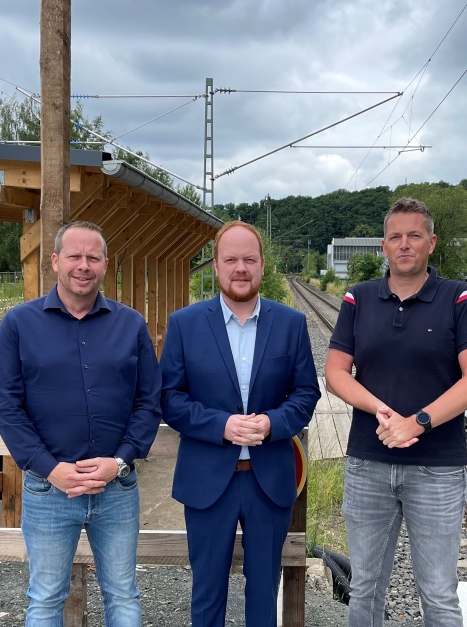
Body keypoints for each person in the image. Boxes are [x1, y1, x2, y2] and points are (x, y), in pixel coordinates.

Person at [325, 198, 467, 627]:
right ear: (383, 246)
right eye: (395, 237)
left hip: (436, 468)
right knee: (365, 587)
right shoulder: (357, 298)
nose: (404, 244)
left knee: (437, 592)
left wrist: (416, 422)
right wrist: (382, 410)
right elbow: (336, 374)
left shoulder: (460, 297)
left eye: (414, 235)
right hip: (368, 463)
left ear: (431, 243)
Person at [0, 221, 160, 627]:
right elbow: (5, 406)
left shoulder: (131, 324)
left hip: (116, 487)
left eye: (92, 257)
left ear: (105, 265)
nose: (83, 266)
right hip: (49, 489)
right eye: (74, 256)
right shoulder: (18, 324)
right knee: (46, 597)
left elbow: (149, 402)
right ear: (55, 262)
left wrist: (119, 461)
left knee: (122, 594)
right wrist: (51, 469)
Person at [160, 221, 321, 627]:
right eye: (230, 259)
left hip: (268, 482)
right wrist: (221, 425)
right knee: (207, 593)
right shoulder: (185, 324)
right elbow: (169, 399)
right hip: (207, 481)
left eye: (249, 259)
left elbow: (306, 395)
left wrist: (271, 423)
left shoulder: (290, 324)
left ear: (263, 265)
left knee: (263, 594)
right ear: (215, 266)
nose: (240, 268)